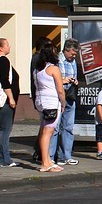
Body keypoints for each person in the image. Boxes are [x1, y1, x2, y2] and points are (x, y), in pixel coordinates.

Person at [32, 41, 65, 172]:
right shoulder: (54, 69)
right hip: (51, 102)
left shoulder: (37, 69)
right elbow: (60, 89)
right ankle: (45, 163)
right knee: (48, 132)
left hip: (40, 101)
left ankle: (47, 160)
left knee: (44, 130)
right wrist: (63, 103)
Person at [0, 38, 20, 167]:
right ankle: (4, 159)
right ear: (1, 48)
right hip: (4, 101)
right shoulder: (3, 60)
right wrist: (11, 98)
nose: (9, 46)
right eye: (7, 44)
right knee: (4, 131)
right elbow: (5, 81)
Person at [54, 38, 81, 166]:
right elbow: (52, 77)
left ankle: (66, 156)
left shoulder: (73, 61)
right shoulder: (57, 60)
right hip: (58, 96)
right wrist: (63, 80)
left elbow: (74, 75)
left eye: (75, 54)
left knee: (68, 127)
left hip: (70, 96)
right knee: (55, 128)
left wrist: (74, 81)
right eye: (72, 53)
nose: (74, 56)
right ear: (66, 50)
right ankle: (51, 156)